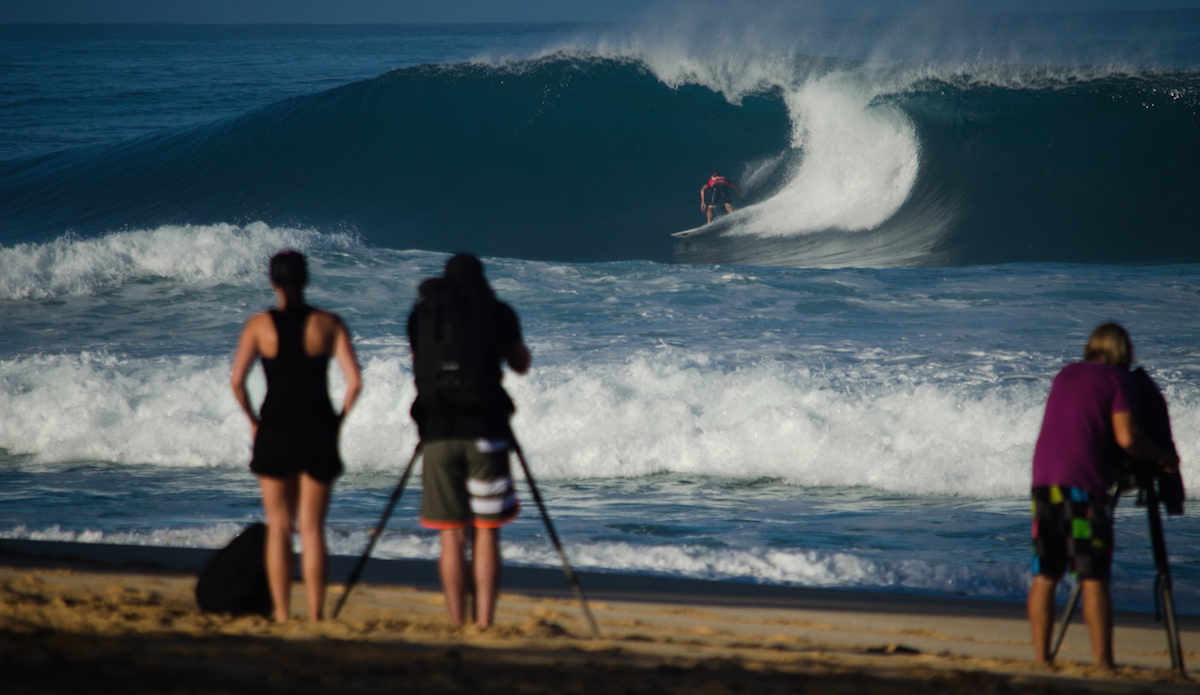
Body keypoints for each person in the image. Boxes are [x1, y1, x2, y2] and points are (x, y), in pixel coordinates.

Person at [1026, 323, 1177, 669]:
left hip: (1044, 480)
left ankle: (1041, 659)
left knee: (1046, 572)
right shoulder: (1118, 379)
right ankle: (1104, 664)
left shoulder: (1066, 374)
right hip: (1081, 484)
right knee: (1092, 574)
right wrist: (1159, 455)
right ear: (1124, 350)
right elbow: (1126, 438)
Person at [230, 250, 362, 623]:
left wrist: (254, 421)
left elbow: (237, 382)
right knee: (312, 527)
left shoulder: (259, 326)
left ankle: (285, 615)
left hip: (275, 429)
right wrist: (339, 420)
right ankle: (317, 615)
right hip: (318, 429)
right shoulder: (328, 323)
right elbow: (354, 382)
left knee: (278, 526)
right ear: (306, 280)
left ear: (273, 282)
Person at [408, 253, 530, 628]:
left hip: (436, 432)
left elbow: (419, 362)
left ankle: (457, 622)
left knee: (451, 537)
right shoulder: (497, 312)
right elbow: (520, 364)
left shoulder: (422, 316)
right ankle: (485, 624)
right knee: (487, 532)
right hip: (485, 431)